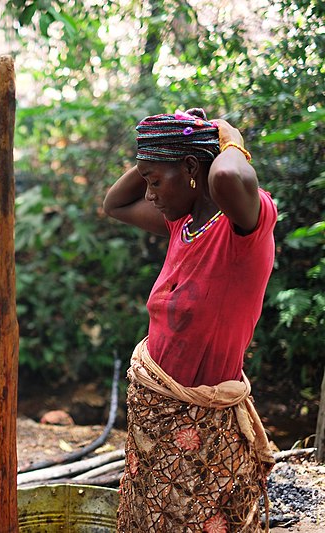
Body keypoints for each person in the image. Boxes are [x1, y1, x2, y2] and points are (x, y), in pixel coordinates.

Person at [102, 108, 277, 532]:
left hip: (203, 424)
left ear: (192, 169)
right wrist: (159, 150)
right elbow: (114, 203)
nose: (150, 192)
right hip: (158, 417)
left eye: (155, 181)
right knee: (153, 516)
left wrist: (227, 135)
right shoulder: (183, 223)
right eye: (147, 181)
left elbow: (226, 179)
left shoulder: (244, 229)